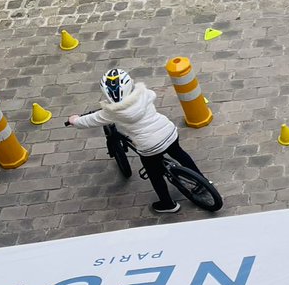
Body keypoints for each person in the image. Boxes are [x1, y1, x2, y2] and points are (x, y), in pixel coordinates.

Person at [67, 68, 205, 215]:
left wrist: (74, 120)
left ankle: (168, 204)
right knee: (179, 153)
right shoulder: (144, 94)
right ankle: (201, 180)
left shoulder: (111, 112)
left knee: (155, 173)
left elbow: (90, 121)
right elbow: (153, 94)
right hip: (168, 131)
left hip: (149, 146)